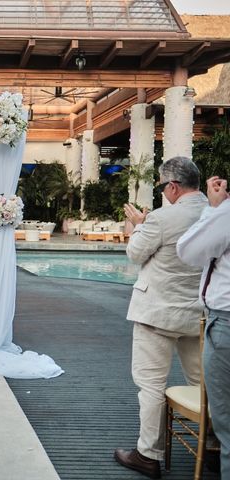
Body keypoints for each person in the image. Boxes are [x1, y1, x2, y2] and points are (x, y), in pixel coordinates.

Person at [114, 156, 208, 479]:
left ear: (173, 186)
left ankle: (147, 454)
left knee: (151, 385)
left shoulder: (162, 219)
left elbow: (135, 253)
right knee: (203, 381)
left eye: (163, 187)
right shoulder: (214, 214)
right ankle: (210, 443)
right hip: (197, 314)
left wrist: (140, 226)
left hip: (157, 313)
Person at [177, 175, 230, 479]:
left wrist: (214, 209)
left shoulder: (225, 213)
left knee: (227, 425)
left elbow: (188, 250)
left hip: (225, 322)